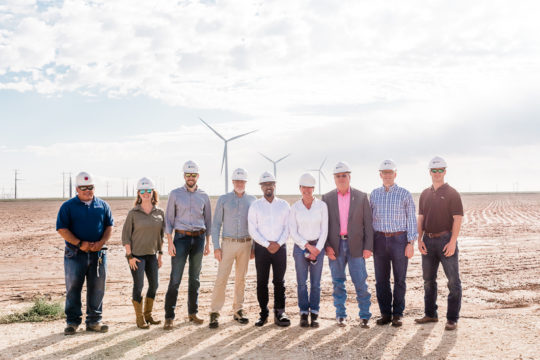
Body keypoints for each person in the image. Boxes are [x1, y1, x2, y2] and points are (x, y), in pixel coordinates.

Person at [56, 172, 113, 335]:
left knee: (98, 287)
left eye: (90, 187)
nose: (87, 190)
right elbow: (62, 229)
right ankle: (72, 322)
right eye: (83, 188)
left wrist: (100, 243)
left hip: (98, 254)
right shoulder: (68, 206)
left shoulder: (103, 205)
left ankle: (94, 321)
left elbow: (110, 226)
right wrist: (80, 244)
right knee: (73, 287)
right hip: (74, 254)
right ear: (77, 189)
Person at [322, 161, 373, 328]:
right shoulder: (327, 198)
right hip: (335, 247)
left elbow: (368, 224)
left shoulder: (361, 196)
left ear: (349, 177)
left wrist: (368, 247)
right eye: (338, 176)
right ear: (334, 179)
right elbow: (324, 225)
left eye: (344, 175)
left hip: (356, 247)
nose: (341, 178)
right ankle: (340, 315)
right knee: (338, 282)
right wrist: (327, 246)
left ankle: (365, 315)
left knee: (360, 282)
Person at [415, 156, 463, 331]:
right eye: (434, 170)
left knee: (453, 281)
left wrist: (452, 242)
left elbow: (457, 219)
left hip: (445, 241)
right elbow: (420, 218)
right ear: (430, 172)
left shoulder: (452, 193)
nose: (437, 173)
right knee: (428, 280)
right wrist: (419, 240)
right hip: (428, 240)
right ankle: (430, 314)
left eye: (440, 170)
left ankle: (452, 318)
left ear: (445, 171)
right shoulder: (425, 194)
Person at [163, 160, 212, 330]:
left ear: (197, 176)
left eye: (193, 175)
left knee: (195, 279)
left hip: (199, 239)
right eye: (187, 175)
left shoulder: (204, 196)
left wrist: (207, 243)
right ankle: (169, 316)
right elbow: (168, 220)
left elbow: (208, 221)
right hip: (181, 240)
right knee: (175, 279)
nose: (190, 178)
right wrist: (170, 243)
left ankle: (193, 313)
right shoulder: (175, 194)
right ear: (184, 176)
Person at [370, 160, 417, 327]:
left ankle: (398, 314)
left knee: (399, 279)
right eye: (384, 172)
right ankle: (385, 314)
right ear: (380, 175)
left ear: (395, 174)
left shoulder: (404, 194)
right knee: (381, 280)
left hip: (399, 240)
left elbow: (411, 219)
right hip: (379, 240)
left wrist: (411, 242)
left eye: (390, 172)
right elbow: (369, 220)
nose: (387, 175)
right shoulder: (374, 194)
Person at [209, 168, 256, 328]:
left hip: (246, 244)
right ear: (233, 182)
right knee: (222, 278)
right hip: (227, 244)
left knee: (241, 279)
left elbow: (255, 225)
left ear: (246, 182)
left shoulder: (252, 200)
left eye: (242, 181)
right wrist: (216, 247)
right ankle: (215, 312)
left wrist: (253, 247)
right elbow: (215, 225)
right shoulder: (223, 199)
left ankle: (238, 310)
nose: (240, 184)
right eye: (237, 181)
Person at [248, 171, 291, 327]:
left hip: (280, 247)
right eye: (265, 184)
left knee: (279, 281)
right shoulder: (255, 206)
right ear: (261, 187)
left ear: (275, 185)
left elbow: (288, 227)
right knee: (262, 282)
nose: (268, 187)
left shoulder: (284, 205)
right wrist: (267, 244)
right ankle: (263, 313)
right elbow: (253, 229)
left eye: (270, 184)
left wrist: (278, 243)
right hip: (261, 248)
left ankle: (280, 313)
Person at [122, 177, 164, 329]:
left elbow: (161, 236)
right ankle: (140, 319)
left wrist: (160, 255)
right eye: (143, 191)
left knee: (154, 285)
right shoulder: (133, 213)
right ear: (138, 193)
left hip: (152, 255)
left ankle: (148, 315)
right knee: (138, 285)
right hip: (136, 257)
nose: (146, 194)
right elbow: (126, 236)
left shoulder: (159, 212)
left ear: (153, 192)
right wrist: (130, 257)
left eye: (148, 191)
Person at [289, 173, 328, 328]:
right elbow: (293, 231)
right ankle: (304, 313)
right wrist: (307, 246)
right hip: (300, 248)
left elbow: (324, 229)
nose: (306, 190)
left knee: (316, 283)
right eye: (303, 187)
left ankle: (315, 313)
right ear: (300, 188)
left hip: (318, 247)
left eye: (309, 187)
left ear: (313, 188)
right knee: (302, 283)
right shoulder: (295, 208)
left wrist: (317, 249)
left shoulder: (322, 206)